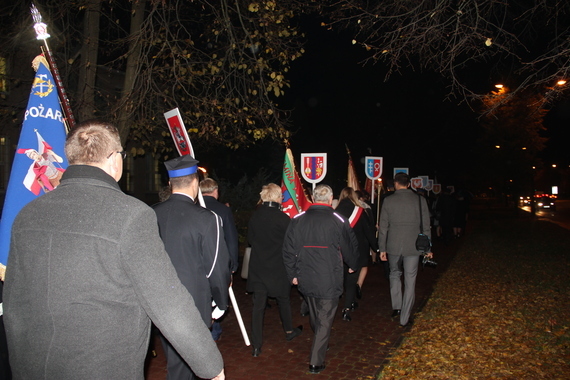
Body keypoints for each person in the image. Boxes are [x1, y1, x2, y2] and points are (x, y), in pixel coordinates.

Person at [3, 120, 224, 380]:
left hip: (31, 365)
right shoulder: (131, 215)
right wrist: (210, 364)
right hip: (100, 366)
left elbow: (14, 304)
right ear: (114, 159)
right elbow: (167, 300)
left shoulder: (28, 215)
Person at [153, 155, 231, 380]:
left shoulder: (151, 213)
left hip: (158, 304)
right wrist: (220, 302)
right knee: (183, 370)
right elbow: (216, 267)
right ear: (196, 183)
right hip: (192, 306)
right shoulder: (207, 219)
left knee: (176, 364)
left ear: (170, 184)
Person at [283, 184, 359, 374]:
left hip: (305, 276)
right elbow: (350, 245)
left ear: (314, 197)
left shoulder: (298, 220)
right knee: (324, 319)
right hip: (329, 277)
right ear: (331, 198)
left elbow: (287, 250)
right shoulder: (338, 219)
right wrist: (353, 264)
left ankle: (321, 342)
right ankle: (316, 361)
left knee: (318, 315)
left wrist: (292, 274)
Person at [247, 183, 303, 357]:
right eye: (281, 196)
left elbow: (250, 240)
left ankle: (256, 345)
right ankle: (288, 331)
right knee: (283, 300)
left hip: (258, 267)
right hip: (278, 268)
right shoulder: (283, 219)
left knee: (258, 306)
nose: (282, 199)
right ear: (276, 198)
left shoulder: (254, 217)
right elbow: (292, 245)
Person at [378, 172, 434, 327]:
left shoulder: (388, 201)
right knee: (410, 280)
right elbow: (426, 226)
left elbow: (383, 227)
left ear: (396, 184)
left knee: (394, 274)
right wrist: (428, 247)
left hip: (394, 245)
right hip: (413, 245)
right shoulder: (420, 200)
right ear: (409, 184)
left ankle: (397, 306)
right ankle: (405, 316)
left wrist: (382, 248)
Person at [199, 177, 239, 341]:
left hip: (199, 260)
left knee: (203, 294)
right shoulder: (223, 210)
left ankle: (209, 327)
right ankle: (213, 330)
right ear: (215, 191)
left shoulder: (195, 208)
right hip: (218, 260)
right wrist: (233, 263)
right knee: (217, 293)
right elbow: (231, 238)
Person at [335, 187, 379, 321]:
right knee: (351, 279)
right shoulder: (360, 211)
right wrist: (376, 248)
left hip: (339, 250)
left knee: (341, 278)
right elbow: (368, 232)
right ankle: (347, 308)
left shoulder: (335, 213)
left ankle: (340, 302)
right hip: (357, 250)